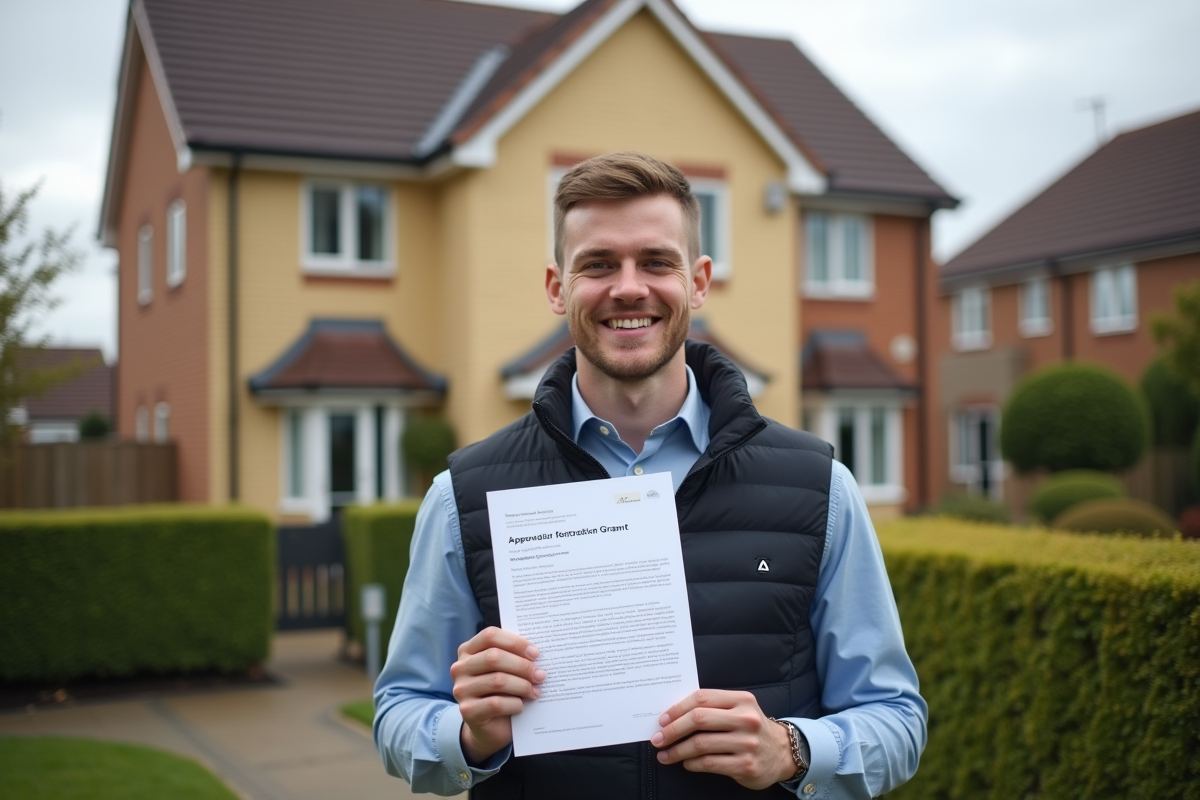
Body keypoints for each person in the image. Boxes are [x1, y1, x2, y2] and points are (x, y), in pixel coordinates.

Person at [374, 152, 926, 799]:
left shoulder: (820, 488)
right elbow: (398, 715)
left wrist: (794, 749)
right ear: (557, 287)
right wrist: (470, 736)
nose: (629, 288)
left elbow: (898, 720)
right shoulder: (464, 496)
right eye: (598, 264)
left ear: (699, 281)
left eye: (656, 262)